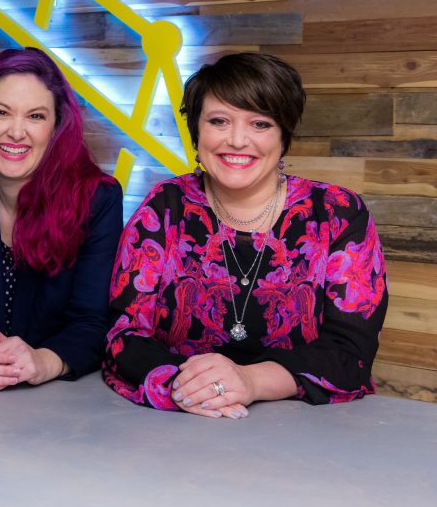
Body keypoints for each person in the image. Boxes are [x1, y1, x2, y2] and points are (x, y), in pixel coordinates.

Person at [103, 52, 387, 418]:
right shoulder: (164, 206)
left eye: (260, 124)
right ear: (196, 132)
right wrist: (194, 389)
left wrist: (249, 382)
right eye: (219, 121)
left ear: (284, 134)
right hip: (177, 425)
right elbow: (123, 332)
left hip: (305, 433)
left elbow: (351, 350)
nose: (237, 141)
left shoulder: (337, 212)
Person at [0, 47, 122, 391]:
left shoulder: (97, 199)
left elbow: (93, 320)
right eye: (1, 112)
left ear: (56, 127)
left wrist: (43, 361)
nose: (16, 131)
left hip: (67, 407)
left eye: (35, 117)